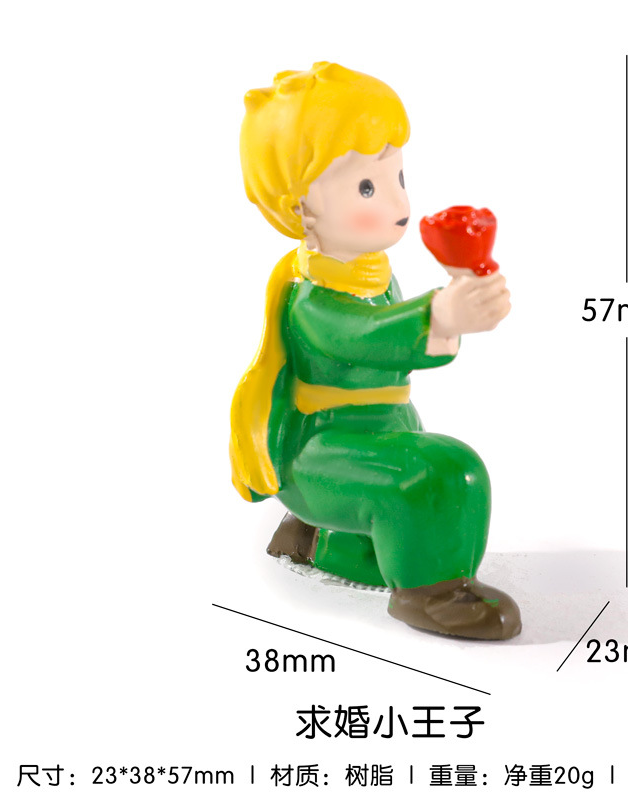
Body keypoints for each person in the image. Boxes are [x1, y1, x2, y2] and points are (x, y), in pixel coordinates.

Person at [230, 62, 520, 639]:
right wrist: (440, 315)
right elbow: (366, 336)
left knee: (421, 504)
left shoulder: (369, 274)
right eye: (367, 187)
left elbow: (396, 340)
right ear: (301, 209)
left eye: (397, 178)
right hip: (323, 453)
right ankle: (432, 592)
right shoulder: (314, 299)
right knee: (443, 473)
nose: (398, 202)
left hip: (372, 435)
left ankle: (321, 540)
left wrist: (454, 309)